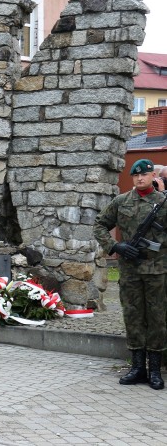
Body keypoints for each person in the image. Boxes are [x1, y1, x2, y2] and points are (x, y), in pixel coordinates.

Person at [94, 158, 167, 390]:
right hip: (130, 270)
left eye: (144, 175)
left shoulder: (163, 203)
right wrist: (116, 246)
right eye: (135, 175)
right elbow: (99, 225)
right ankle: (137, 368)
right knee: (133, 316)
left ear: (153, 177)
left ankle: (155, 370)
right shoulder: (121, 201)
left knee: (157, 318)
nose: (139, 178)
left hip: (157, 270)